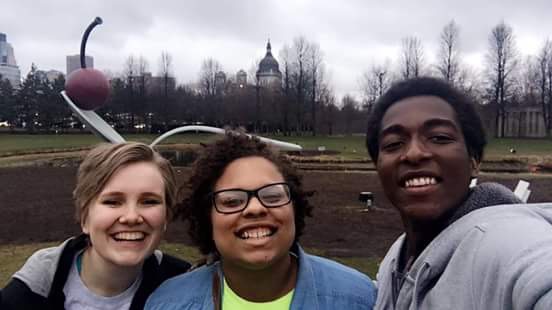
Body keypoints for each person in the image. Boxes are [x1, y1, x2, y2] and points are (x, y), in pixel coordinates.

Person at [366, 77, 552, 309]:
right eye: (393, 143)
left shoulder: (512, 242)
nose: (413, 154)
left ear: (474, 160)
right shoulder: (396, 259)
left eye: (439, 137)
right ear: (378, 165)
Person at [146, 133, 376, 309]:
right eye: (232, 201)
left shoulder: (360, 299)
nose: (255, 208)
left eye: (272, 196)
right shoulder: (167, 303)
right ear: (208, 218)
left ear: (294, 207)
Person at [1, 142, 190, 309]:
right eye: (112, 202)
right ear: (84, 216)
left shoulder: (186, 287)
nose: (132, 217)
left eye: (149, 201)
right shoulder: (34, 290)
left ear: (167, 215)